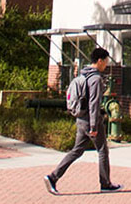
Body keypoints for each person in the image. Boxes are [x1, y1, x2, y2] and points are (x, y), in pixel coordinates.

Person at [44, 47, 122, 195]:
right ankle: (105, 183)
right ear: (99, 61)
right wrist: (94, 126)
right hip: (91, 121)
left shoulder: (83, 75)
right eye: (105, 62)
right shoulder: (96, 79)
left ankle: (53, 177)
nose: (106, 64)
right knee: (102, 151)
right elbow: (94, 103)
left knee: (77, 151)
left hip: (80, 119)